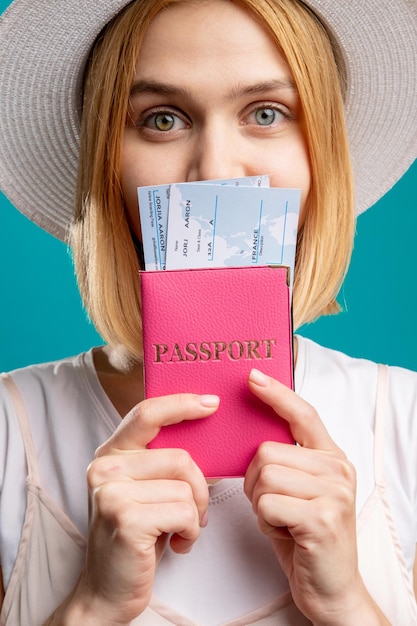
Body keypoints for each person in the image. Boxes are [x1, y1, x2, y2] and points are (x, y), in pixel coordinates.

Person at [0, 0, 416, 624]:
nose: (215, 172)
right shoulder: (10, 432)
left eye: (267, 113)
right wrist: (93, 606)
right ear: (108, 166)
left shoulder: (406, 422)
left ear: (319, 156)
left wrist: (346, 605)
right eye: (162, 119)